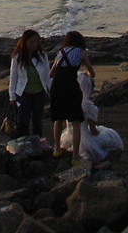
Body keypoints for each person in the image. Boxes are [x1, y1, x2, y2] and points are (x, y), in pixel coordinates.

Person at [50, 31, 96, 162]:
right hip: (71, 86)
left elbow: (51, 74)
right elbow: (92, 73)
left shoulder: (61, 52)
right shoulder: (82, 52)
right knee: (76, 121)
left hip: (57, 86)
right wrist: (86, 72)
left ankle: (57, 149)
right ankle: (75, 156)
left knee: (58, 119)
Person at [8, 29, 51, 141]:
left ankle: (38, 142)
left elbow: (48, 75)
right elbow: (13, 77)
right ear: (25, 42)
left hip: (39, 92)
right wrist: (12, 96)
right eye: (31, 42)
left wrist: (51, 90)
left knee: (37, 120)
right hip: (23, 93)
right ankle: (25, 142)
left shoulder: (42, 55)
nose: (34, 44)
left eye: (36, 42)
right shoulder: (17, 57)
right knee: (24, 120)